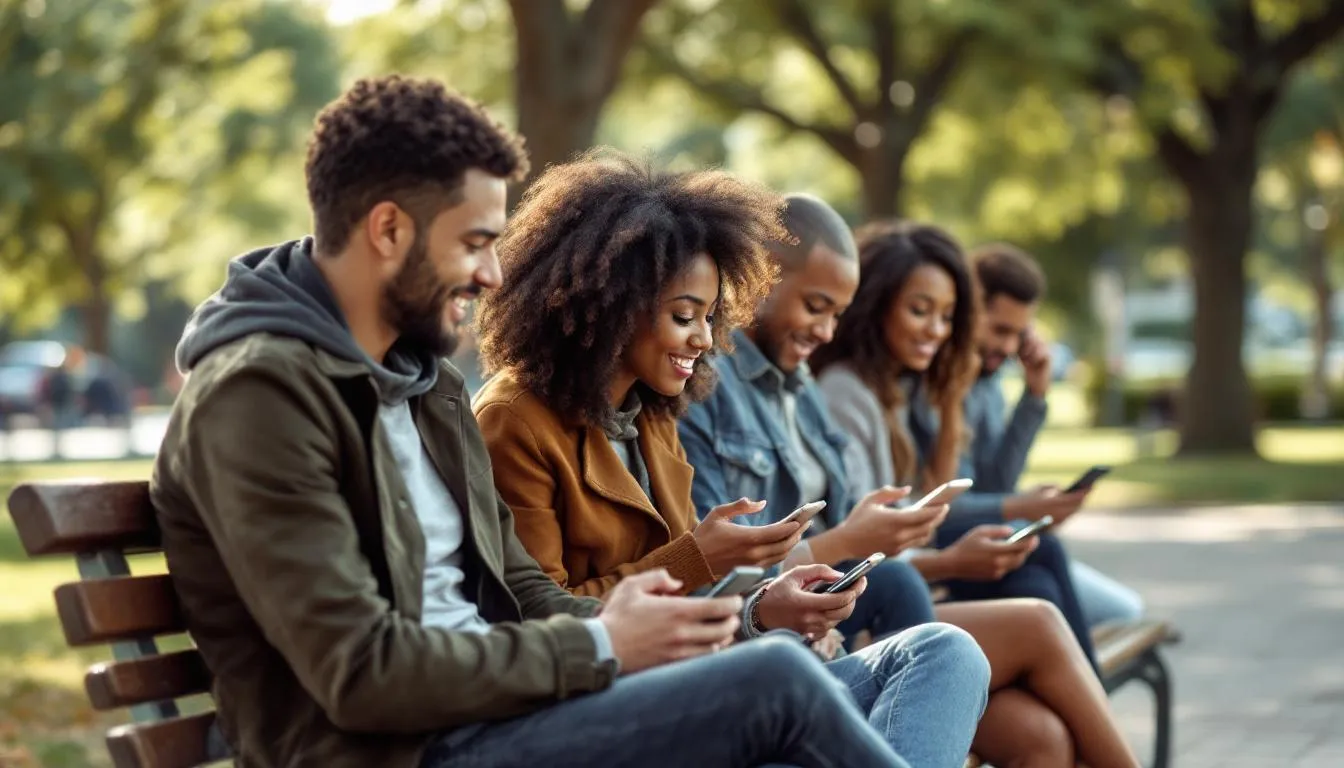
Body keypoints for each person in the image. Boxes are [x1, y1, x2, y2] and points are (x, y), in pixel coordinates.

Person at [150, 76, 937, 768]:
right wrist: (603, 643)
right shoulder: (258, 398)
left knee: (876, 668)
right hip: (397, 751)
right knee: (777, 685)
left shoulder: (422, 382)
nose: (494, 275)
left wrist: (730, 618)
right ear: (388, 230)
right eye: (474, 243)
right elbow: (360, 674)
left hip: (501, 717)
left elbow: (525, 592)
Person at [472, 152, 991, 768]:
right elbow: (540, 620)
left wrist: (763, 608)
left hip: (696, 678)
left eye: (710, 318)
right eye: (683, 316)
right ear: (613, 302)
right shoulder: (515, 420)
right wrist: (699, 557)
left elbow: (696, 603)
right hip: (610, 708)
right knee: (785, 673)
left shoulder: (652, 413)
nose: (704, 340)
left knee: (945, 652)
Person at [683, 195, 1142, 768]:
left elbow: (865, 527)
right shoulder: (743, 387)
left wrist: (1026, 407)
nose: (825, 330)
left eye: (834, 313)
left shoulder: (804, 385)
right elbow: (731, 574)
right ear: (758, 279)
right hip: (804, 629)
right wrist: (927, 553)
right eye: (816, 306)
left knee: (1041, 731)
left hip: (844, 609)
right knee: (1032, 617)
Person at [810, 220, 1099, 667]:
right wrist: (954, 556)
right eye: (920, 311)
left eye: (946, 317)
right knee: (1043, 582)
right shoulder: (851, 391)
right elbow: (887, 531)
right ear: (878, 304)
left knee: (1040, 583)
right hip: (879, 591)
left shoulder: (899, 388)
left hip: (902, 572)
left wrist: (1018, 396)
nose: (936, 330)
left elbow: (975, 487)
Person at [950, 242, 1145, 627]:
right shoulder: (939, 390)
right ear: (969, 311)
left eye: (1019, 334)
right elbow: (956, 502)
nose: (1008, 347)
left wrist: (1035, 396)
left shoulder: (987, 386)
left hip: (986, 545)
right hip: (954, 552)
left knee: (1122, 611)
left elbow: (996, 483)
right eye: (1000, 330)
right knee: (1047, 581)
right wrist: (1021, 507)